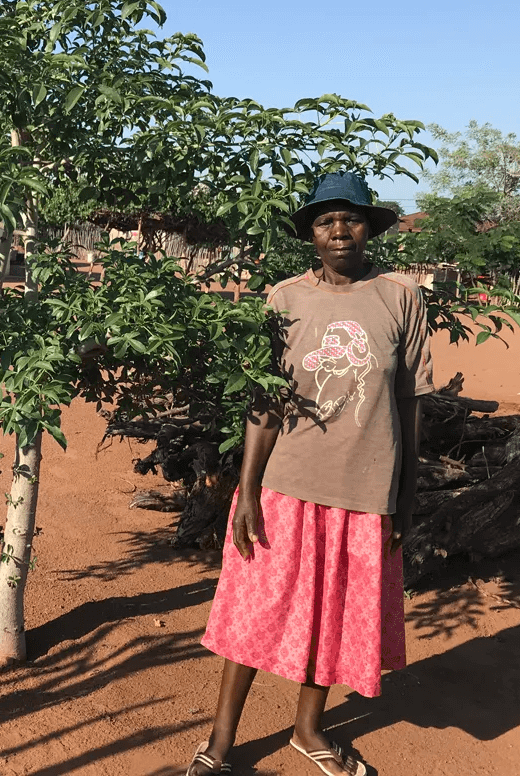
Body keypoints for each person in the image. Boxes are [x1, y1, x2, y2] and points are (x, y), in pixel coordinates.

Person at [185, 172, 434, 776]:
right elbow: (264, 405)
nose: (339, 231)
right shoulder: (284, 299)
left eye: (350, 219)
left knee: (335, 614)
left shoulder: (401, 298)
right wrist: (246, 492)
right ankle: (219, 744)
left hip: (365, 489)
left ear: (369, 227)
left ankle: (308, 728)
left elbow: (410, 404)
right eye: (326, 221)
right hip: (287, 486)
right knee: (254, 610)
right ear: (312, 234)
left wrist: (404, 495)